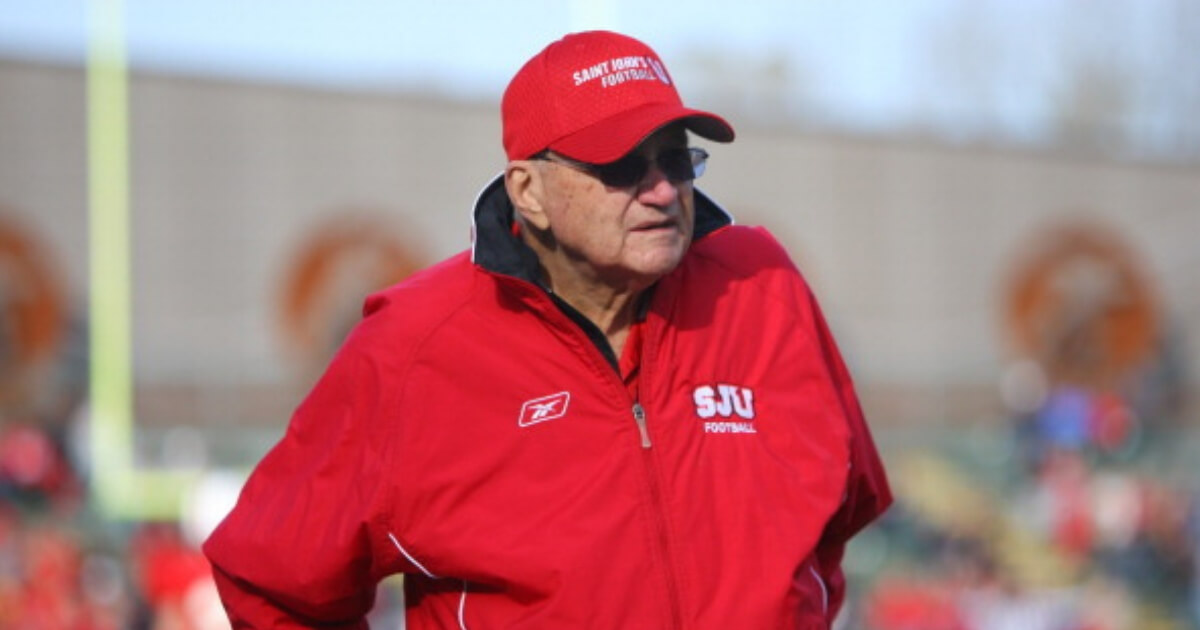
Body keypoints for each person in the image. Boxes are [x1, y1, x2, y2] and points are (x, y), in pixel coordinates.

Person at [203, 30, 892, 629]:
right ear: (527, 190)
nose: (660, 191)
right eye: (622, 165)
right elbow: (271, 579)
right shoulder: (416, 346)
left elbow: (834, 523)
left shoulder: (762, 287)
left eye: (676, 159)